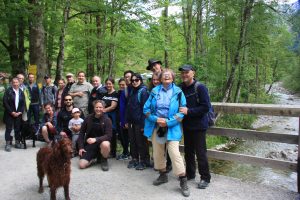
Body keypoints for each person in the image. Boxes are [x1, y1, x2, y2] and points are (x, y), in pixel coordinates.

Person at [143, 69, 190, 197]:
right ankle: (163, 175)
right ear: (161, 78)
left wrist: (168, 122)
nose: (167, 77)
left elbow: (182, 113)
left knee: (174, 153)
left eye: (169, 76)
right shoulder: (154, 91)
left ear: (173, 78)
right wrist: (156, 119)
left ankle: (183, 180)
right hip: (157, 126)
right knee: (158, 153)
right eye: (164, 75)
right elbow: (146, 109)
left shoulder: (179, 92)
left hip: (172, 127)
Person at [179, 64, 211, 189]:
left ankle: (205, 178)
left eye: (187, 72)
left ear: (193, 73)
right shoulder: (180, 88)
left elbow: (205, 107)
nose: (184, 74)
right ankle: (190, 174)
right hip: (187, 126)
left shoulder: (200, 87)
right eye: (182, 73)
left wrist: (189, 111)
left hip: (199, 126)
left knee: (201, 153)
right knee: (188, 152)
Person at [78, 100, 112, 171]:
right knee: (82, 165)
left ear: (103, 108)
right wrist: (81, 147)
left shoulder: (107, 120)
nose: (98, 109)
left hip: (102, 144)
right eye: (96, 107)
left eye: (100, 107)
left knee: (105, 144)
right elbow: (81, 133)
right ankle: (95, 157)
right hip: (90, 145)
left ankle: (104, 159)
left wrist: (95, 139)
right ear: (94, 108)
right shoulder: (88, 118)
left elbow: (108, 136)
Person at [126, 73, 150, 170]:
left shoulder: (143, 91)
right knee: (133, 141)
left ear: (140, 80)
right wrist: (127, 120)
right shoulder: (132, 91)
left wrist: (143, 124)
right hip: (132, 121)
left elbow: (145, 109)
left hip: (140, 121)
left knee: (141, 142)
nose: (134, 82)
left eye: (137, 80)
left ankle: (144, 161)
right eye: (133, 80)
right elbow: (129, 107)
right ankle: (135, 158)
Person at [3, 78, 25, 151]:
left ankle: (17, 143)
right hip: (9, 114)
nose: (15, 84)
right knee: (8, 129)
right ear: (12, 83)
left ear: (19, 83)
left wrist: (20, 112)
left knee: (17, 128)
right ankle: (8, 144)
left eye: (17, 82)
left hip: (18, 114)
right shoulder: (8, 91)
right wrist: (11, 112)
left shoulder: (21, 92)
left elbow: (23, 103)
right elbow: (5, 103)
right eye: (14, 82)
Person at [102, 77, 118, 158]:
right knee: (105, 133)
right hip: (104, 117)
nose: (108, 85)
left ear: (113, 84)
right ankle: (106, 150)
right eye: (107, 83)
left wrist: (102, 110)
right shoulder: (105, 94)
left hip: (112, 117)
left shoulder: (115, 94)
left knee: (112, 133)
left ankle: (113, 152)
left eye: (110, 83)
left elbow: (113, 106)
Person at [116, 78, 130, 160]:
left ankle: (127, 153)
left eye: (123, 85)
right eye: (120, 85)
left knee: (126, 136)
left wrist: (125, 120)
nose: (121, 86)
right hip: (118, 117)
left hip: (125, 118)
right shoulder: (118, 93)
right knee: (121, 136)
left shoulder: (127, 93)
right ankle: (125, 152)